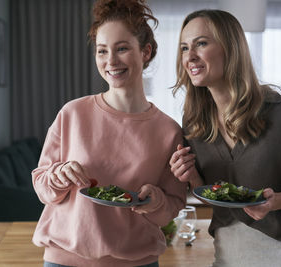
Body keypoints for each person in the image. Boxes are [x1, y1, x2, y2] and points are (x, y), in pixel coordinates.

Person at [169, 9, 281, 267]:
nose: (190, 56)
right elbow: (210, 196)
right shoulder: (195, 122)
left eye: (201, 43)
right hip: (226, 251)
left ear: (230, 48)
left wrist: (276, 202)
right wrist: (190, 176)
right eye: (183, 47)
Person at [32, 1, 187, 266]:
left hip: (137, 261)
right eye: (102, 51)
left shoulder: (169, 131)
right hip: (64, 260)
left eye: (122, 48)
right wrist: (59, 176)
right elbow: (42, 186)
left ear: (146, 52)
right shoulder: (72, 113)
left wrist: (155, 202)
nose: (111, 61)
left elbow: (171, 208)